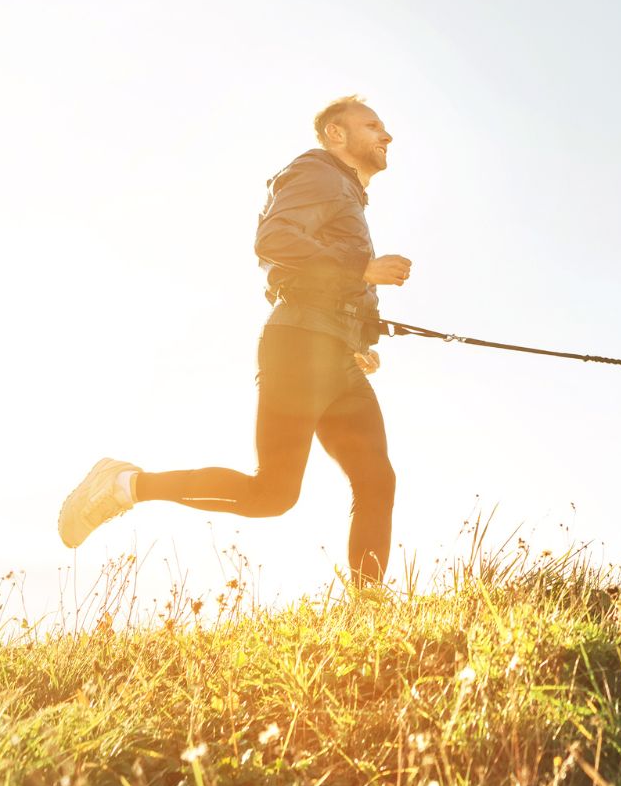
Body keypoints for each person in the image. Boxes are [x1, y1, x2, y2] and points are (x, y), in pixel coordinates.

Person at [58, 96, 413, 587]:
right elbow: (275, 240)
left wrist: (364, 335)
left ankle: (370, 607)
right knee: (273, 494)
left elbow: (329, 277)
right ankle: (124, 485)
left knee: (377, 479)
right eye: (372, 125)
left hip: (335, 354)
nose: (386, 135)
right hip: (299, 346)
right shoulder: (317, 173)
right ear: (336, 134)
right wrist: (360, 268)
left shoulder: (346, 193)